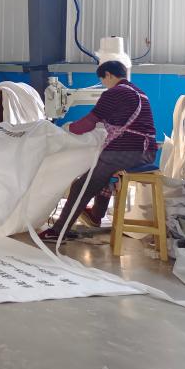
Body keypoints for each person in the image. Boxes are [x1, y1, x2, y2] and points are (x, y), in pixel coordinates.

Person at [39, 60, 156, 242]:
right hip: (146, 152)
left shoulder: (114, 93)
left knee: (81, 185)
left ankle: (58, 231)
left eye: (102, 80)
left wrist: (67, 129)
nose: (103, 84)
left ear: (108, 74)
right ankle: (96, 215)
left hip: (127, 152)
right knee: (101, 175)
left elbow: (88, 123)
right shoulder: (139, 93)